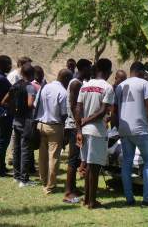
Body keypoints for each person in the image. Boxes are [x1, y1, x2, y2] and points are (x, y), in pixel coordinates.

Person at [114, 61, 148, 207]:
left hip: (125, 129)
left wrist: (117, 127)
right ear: (141, 72)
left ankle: (129, 199)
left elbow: (115, 109)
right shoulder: (144, 84)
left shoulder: (120, 86)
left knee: (127, 162)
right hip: (141, 129)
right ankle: (147, 199)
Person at [75, 58, 114, 209]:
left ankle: (86, 199)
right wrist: (87, 121)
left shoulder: (85, 86)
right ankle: (92, 201)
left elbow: (78, 109)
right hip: (97, 131)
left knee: (88, 167)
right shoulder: (107, 87)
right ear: (107, 71)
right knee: (94, 168)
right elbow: (104, 110)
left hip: (84, 132)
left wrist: (79, 128)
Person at [35, 69, 73, 195]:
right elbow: (63, 114)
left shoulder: (45, 87)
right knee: (54, 157)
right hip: (55, 126)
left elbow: (37, 105)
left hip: (42, 125)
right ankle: (50, 186)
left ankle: (43, 180)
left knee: (42, 156)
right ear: (66, 79)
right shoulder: (63, 92)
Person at [1, 64, 37, 187]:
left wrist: (13, 109)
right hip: (26, 121)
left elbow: (3, 101)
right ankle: (24, 179)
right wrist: (36, 109)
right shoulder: (30, 87)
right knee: (25, 150)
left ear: (21, 73)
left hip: (15, 121)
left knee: (16, 150)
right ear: (32, 75)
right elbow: (30, 104)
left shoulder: (15, 86)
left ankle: (16, 176)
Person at [63, 59, 93, 204]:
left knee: (76, 159)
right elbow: (75, 107)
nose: (91, 71)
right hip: (74, 126)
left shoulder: (79, 83)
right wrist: (79, 128)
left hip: (76, 125)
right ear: (84, 68)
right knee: (73, 160)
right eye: (90, 68)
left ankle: (73, 188)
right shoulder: (76, 83)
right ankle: (68, 192)